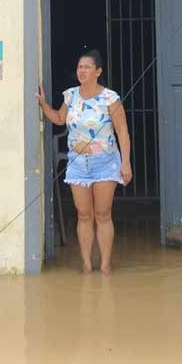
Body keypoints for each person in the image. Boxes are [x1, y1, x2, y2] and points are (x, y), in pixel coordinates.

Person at [36, 50, 133, 274]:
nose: (82, 71)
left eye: (87, 67)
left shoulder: (110, 98)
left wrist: (126, 163)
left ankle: (105, 264)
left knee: (103, 214)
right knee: (84, 214)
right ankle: (87, 264)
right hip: (78, 164)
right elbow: (59, 119)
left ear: (98, 71)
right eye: (80, 67)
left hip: (105, 162)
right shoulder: (70, 95)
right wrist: (43, 104)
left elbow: (122, 131)